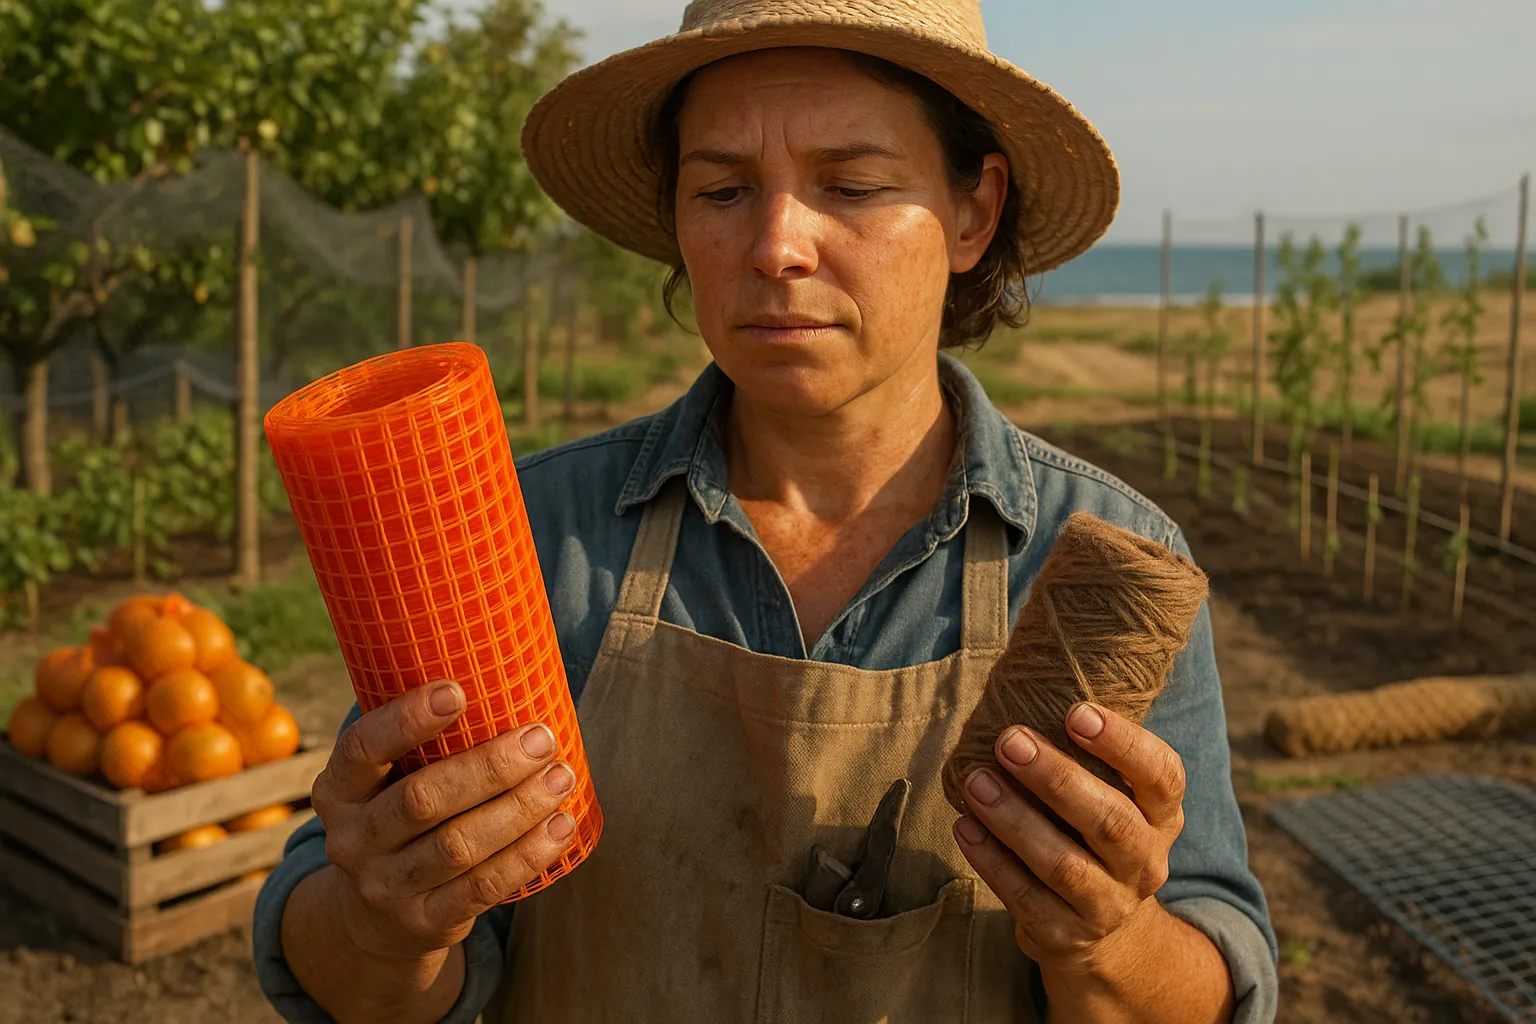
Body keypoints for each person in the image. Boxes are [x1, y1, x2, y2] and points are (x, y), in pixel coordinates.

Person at [253, 1, 1279, 1021]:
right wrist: (380, 918)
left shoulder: (1102, 571)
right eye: (725, 188)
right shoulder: (529, 532)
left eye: (853, 184)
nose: (776, 244)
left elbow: (1211, 964)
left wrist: (1109, 940)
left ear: (973, 213)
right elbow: (359, 968)